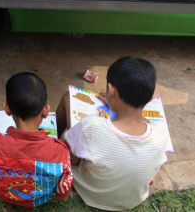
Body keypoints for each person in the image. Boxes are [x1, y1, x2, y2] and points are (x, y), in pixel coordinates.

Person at [55, 57, 169, 211]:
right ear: (149, 97)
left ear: (112, 90)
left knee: (68, 97)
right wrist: (119, 106)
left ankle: (52, 142)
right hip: (132, 200)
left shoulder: (92, 126)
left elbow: (72, 162)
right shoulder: (160, 132)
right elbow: (148, 123)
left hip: (90, 193)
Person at [0, 73, 73, 208]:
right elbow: (62, 192)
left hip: (6, 195)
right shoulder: (60, 151)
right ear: (46, 110)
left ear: (7, 108)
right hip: (42, 199)